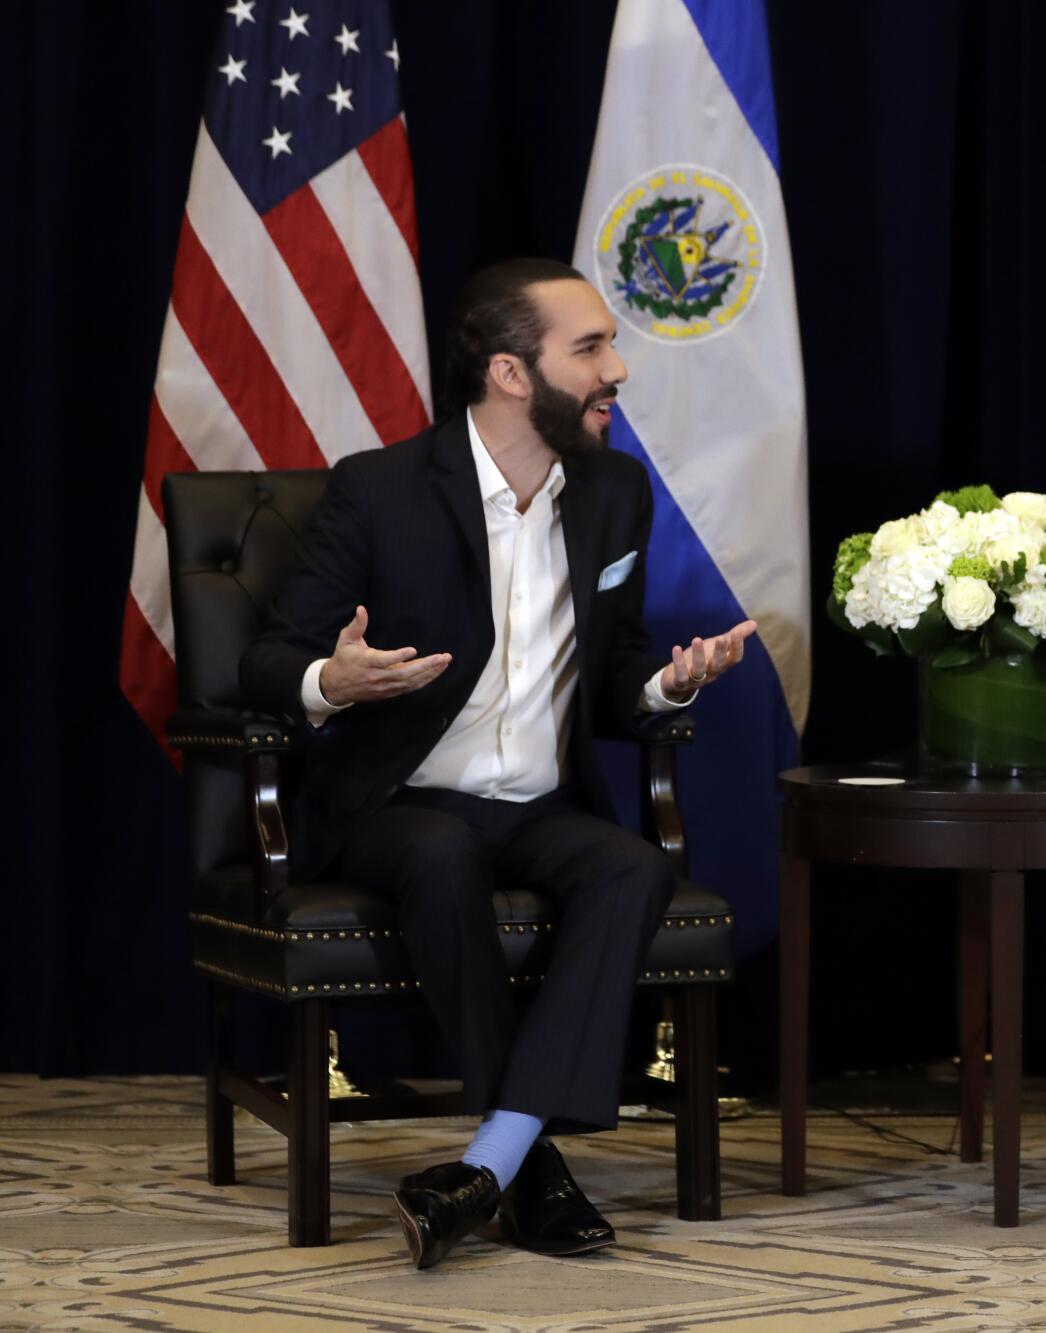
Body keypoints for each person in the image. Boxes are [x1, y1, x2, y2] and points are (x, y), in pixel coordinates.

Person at [240, 258, 758, 1270]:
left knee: (633, 865)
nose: (617, 369)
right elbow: (266, 661)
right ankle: (532, 1168)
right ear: (511, 373)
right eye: (590, 348)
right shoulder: (381, 489)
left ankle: (492, 1160)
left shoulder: (614, 494)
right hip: (399, 798)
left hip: (537, 799)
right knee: (438, 852)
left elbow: (612, 673)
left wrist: (669, 685)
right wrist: (333, 682)